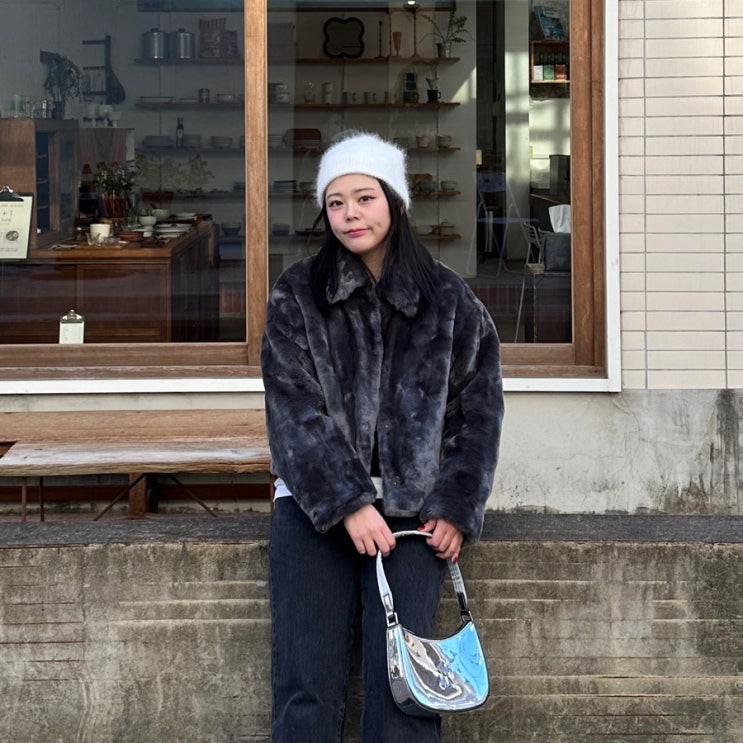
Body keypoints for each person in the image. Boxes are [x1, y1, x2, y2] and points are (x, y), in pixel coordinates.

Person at [261, 131, 504, 742]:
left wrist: (456, 507)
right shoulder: (298, 294)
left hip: (415, 518)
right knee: (305, 682)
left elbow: (477, 413)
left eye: (364, 198)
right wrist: (349, 503)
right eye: (336, 202)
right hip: (312, 512)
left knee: (405, 688)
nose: (350, 214)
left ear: (394, 201)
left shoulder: (449, 299)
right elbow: (292, 411)